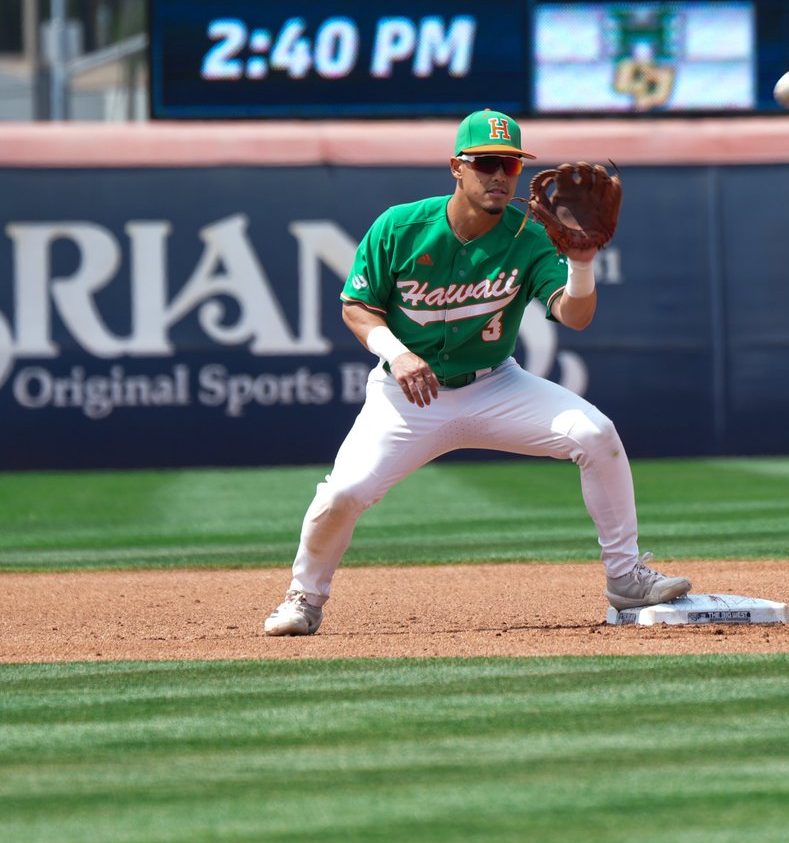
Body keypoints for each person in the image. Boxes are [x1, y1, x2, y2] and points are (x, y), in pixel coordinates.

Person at [264, 109, 692, 635]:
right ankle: (303, 599)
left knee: (595, 433)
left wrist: (582, 262)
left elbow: (575, 316)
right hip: (407, 398)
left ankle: (625, 577)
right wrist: (397, 353)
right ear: (456, 167)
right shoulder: (401, 226)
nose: (499, 176)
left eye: (510, 166)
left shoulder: (531, 235)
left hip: (495, 384)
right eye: (486, 162)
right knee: (344, 493)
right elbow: (357, 306)